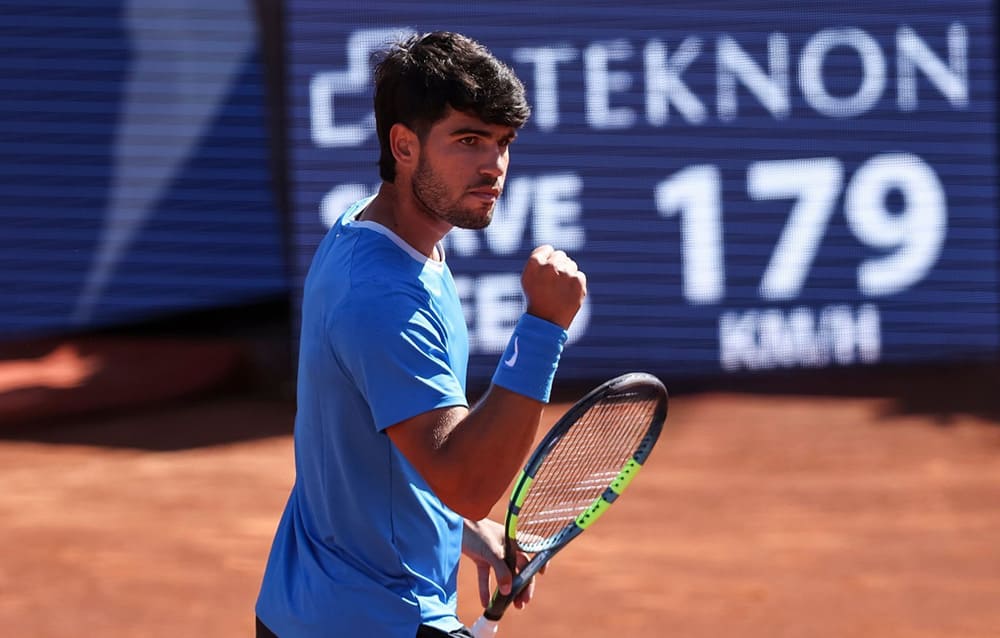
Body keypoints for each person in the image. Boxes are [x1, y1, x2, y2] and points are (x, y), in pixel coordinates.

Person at [255, 31, 587, 638]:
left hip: (300, 606)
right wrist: (543, 328)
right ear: (403, 146)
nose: (493, 166)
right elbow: (469, 482)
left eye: (502, 142)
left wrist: (462, 529)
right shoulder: (383, 298)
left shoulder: (371, 230)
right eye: (467, 140)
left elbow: (380, 449)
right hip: (374, 618)